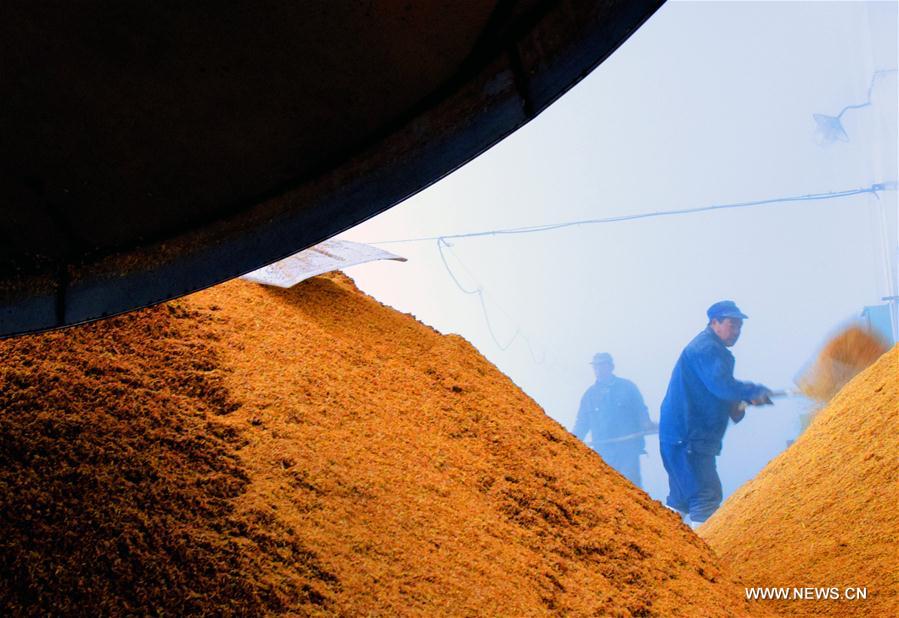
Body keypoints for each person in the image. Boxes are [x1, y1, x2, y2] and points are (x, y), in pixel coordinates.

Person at [659, 300, 772, 526]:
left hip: (679, 437)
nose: (737, 331)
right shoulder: (706, 348)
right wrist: (752, 392)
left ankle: (666, 553)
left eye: (739, 326)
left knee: (680, 500)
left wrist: (740, 402)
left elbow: (717, 391)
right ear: (714, 323)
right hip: (690, 438)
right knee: (705, 497)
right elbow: (721, 386)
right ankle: (707, 557)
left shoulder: (711, 349)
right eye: (732, 324)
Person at [573, 353, 656, 488]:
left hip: (627, 450)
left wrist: (646, 423)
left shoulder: (628, 388)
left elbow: (641, 411)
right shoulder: (589, 396)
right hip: (603, 453)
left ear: (611, 367)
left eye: (602, 365)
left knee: (631, 489)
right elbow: (581, 423)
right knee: (608, 491)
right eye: (596, 367)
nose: (598, 370)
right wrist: (571, 441)